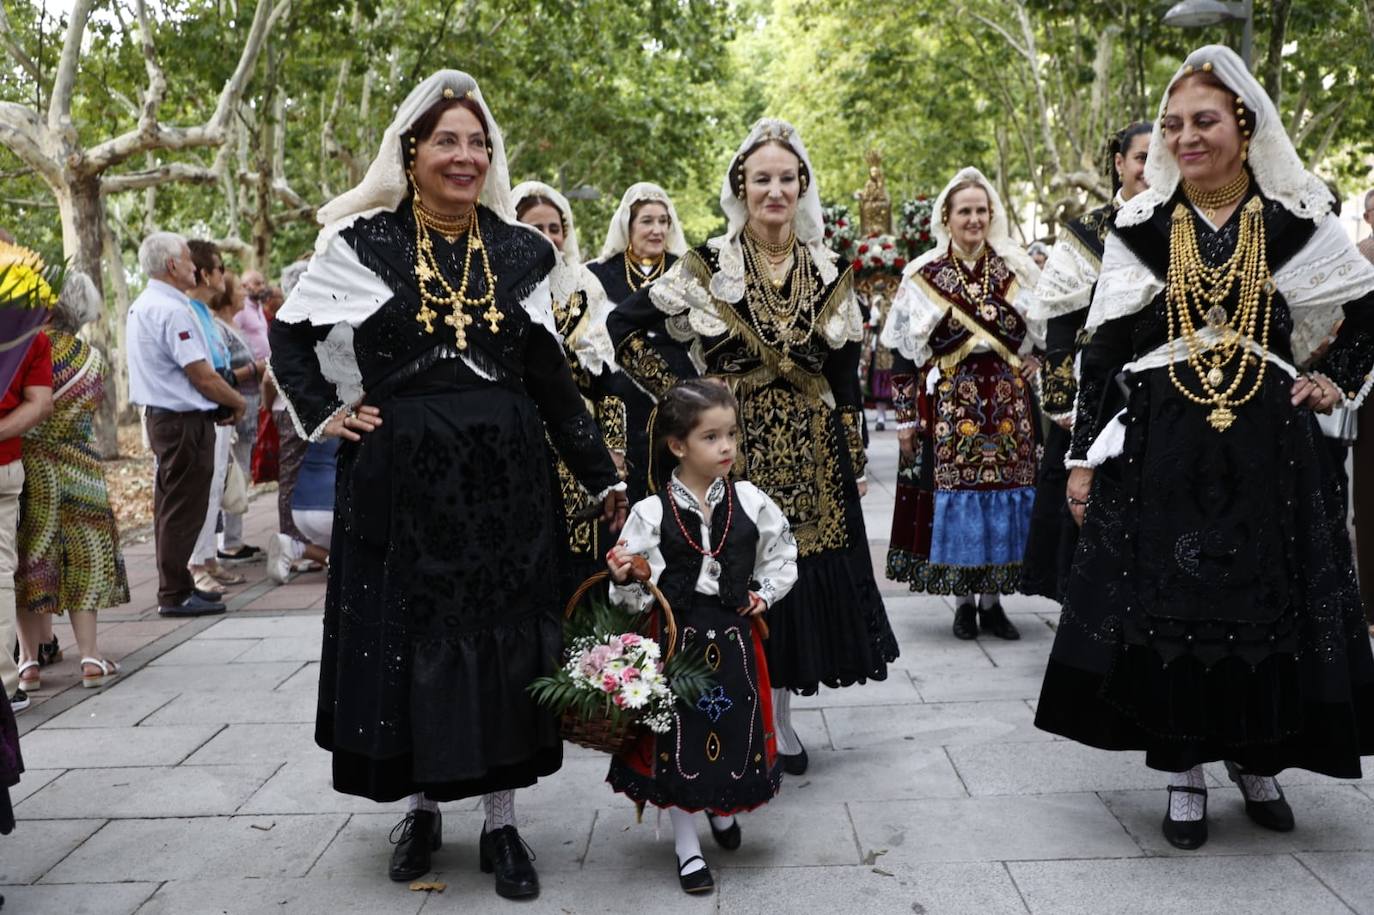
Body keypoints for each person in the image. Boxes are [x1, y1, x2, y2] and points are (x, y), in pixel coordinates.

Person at [268, 70, 627, 897]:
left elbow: (551, 379)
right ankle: (424, 807)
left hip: (506, 484)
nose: (463, 156)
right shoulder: (361, 246)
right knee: (411, 643)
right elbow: (291, 339)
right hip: (404, 484)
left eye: (476, 142)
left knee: (501, 646)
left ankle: (502, 823)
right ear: (412, 152)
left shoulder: (523, 251)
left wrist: (601, 477)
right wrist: (327, 413)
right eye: (446, 141)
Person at [1036, 45, 1374, 851]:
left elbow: (1364, 313)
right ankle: (1184, 771)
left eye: (1205, 121)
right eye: (1173, 125)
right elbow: (1101, 352)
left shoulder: (1297, 222)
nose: (1186, 137)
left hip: (1274, 456)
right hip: (1161, 453)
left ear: (1244, 125)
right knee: (1171, 611)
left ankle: (1258, 761)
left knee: (1265, 607)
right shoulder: (1141, 228)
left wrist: (1335, 382)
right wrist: (1082, 458)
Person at [607, 118, 897, 776]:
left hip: (812, 457)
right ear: (741, 186)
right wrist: (686, 398)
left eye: (786, 179)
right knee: (730, 581)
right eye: (761, 178)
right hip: (731, 451)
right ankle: (748, 720)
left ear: (802, 187)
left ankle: (782, 722)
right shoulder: (708, 264)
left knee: (791, 586)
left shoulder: (828, 270)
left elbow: (846, 373)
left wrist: (852, 456)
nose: (774, 190)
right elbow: (625, 326)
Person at [605, 379, 796, 895]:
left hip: (736, 639)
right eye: (711, 437)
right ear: (677, 446)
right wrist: (626, 579)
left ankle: (721, 806)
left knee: (734, 728)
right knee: (678, 741)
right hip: (675, 641)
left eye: (731, 434)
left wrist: (764, 594)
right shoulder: (650, 513)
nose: (727, 447)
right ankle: (687, 846)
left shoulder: (751, 501)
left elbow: (784, 556)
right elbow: (629, 597)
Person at [879, 167, 1043, 640]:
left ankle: (994, 603)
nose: (973, 219)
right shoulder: (923, 275)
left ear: (991, 215)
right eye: (964, 211)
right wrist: (906, 419)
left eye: (981, 210)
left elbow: (1052, 331)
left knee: (1003, 495)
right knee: (959, 493)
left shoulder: (1018, 271)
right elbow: (902, 355)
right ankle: (965, 603)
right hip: (952, 403)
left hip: (1009, 404)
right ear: (946, 219)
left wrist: (1038, 361)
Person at [1020, 122, 1151, 602]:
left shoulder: (1185, 222)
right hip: (1092, 399)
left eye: (1160, 159)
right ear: (1119, 164)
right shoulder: (1084, 234)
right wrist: (1062, 403)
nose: (1149, 169)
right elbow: (1057, 324)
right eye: (1141, 158)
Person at [14, 273, 129, 695]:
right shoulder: (91, 356)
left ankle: (27, 662)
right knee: (86, 558)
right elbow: (93, 407)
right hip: (81, 464)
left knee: (31, 559)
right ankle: (90, 657)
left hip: (34, 467)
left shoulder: (24, 350)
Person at [126, 231, 244, 617]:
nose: (195, 265)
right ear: (173, 265)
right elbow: (201, 374)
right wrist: (236, 399)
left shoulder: (147, 303)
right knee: (183, 508)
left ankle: (177, 585)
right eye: (189, 259)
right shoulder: (173, 309)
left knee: (174, 506)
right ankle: (174, 593)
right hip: (181, 423)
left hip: (169, 420)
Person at [513, 180, 622, 599]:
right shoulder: (502, 287)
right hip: (524, 440)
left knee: (588, 557)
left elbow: (609, 381)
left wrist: (612, 451)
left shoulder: (586, 288)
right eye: (534, 227)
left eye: (554, 227)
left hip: (583, 441)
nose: (547, 238)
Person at [586, 183, 689, 506]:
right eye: (647, 221)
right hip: (621, 397)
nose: (657, 229)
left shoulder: (685, 270)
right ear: (627, 225)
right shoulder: (597, 273)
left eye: (663, 221)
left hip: (678, 393)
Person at [184, 240, 244, 594]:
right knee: (200, 490)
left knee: (214, 485)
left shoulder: (203, 313)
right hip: (203, 409)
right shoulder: (187, 311)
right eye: (220, 268)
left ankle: (206, 558)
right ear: (205, 274)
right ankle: (194, 565)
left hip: (218, 410)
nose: (225, 275)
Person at [0, 321, 52, 713]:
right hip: (4, 462)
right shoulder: (27, 331)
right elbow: (39, 402)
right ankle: (4, 683)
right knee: (1, 573)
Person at [211, 273, 267, 565]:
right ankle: (227, 544)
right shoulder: (220, 329)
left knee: (239, 473)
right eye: (240, 289)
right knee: (231, 475)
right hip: (235, 411)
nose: (244, 294)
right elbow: (224, 374)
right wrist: (256, 369)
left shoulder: (232, 326)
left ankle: (234, 538)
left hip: (248, 408)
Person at [267, 437, 336, 584]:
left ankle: (295, 547)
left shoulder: (317, 419)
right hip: (330, 510)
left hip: (299, 508)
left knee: (342, 561)